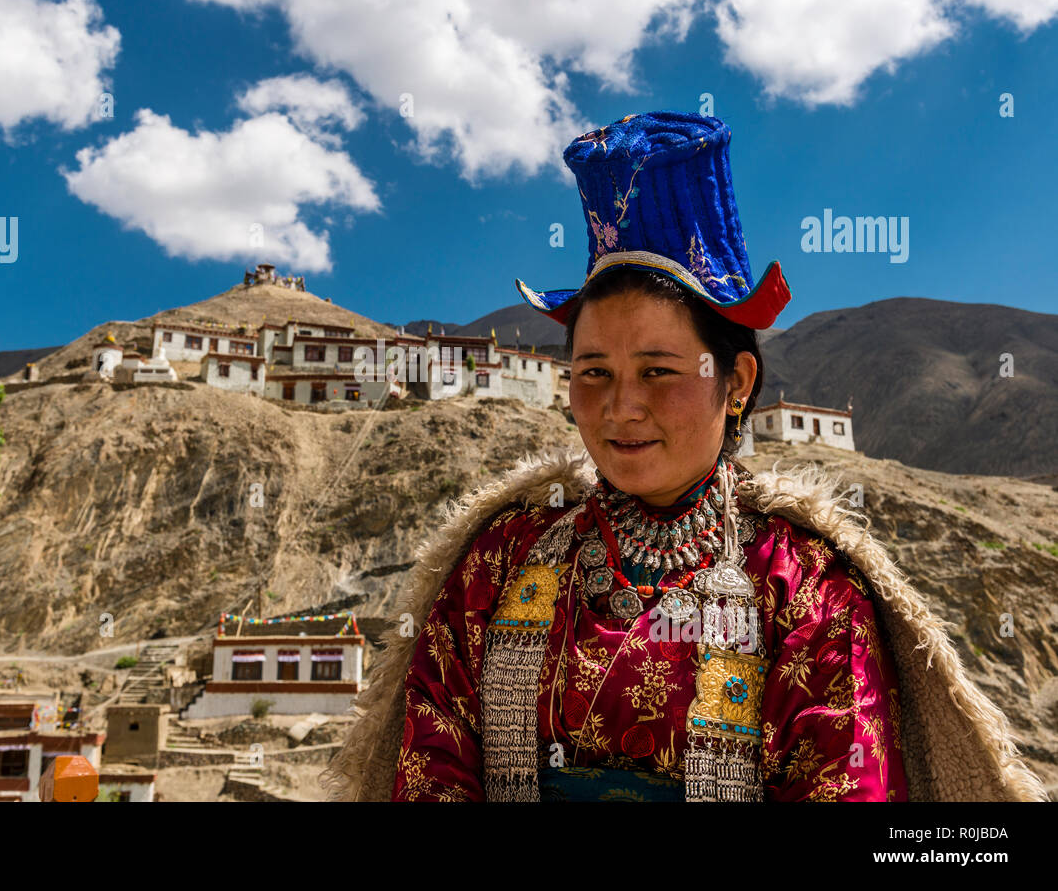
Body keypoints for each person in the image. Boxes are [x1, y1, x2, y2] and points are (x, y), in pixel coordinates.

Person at [321, 111, 1046, 802]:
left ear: (736, 381)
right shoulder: (497, 564)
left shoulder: (803, 592)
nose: (620, 406)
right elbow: (432, 768)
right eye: (594, 371)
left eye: (659, 372)